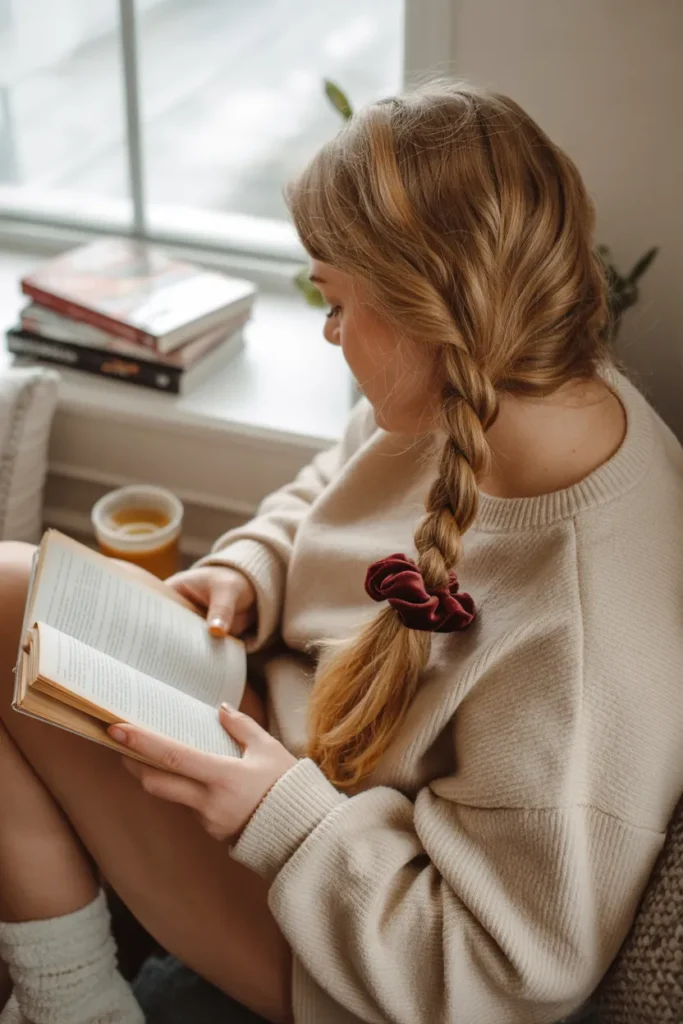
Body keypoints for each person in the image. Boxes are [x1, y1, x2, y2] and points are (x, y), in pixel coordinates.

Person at [0, 81, 682, 1024]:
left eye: (332, 298)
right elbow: (335, 477)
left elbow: (496, 981)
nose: (327, 332)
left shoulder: (586, 645)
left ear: (420, 311)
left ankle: (70, 1005)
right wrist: (252, 566)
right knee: (11, 590)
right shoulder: (492, 385)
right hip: (278, 744)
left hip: (342, 935)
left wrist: (279, 816)